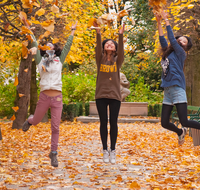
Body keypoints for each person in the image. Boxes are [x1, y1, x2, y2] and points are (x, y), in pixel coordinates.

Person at [22, 18, 77, 167]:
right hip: (44, 96)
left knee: (56, 127)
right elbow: (34, 42)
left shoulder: (60, 60)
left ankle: (53, 153)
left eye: (51, 45)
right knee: (37, 121)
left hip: (57, 97)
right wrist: (27, 26)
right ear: (43, 49)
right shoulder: (40, 61)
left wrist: (72, 31)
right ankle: (30, 120)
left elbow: (67, 46)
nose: (49, 46)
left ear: (55, 49)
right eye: (46, 45)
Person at [156, 10, 200, 145]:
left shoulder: (181, 53)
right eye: (180, 38)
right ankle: (180, 132)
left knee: (184, 121)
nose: (181, 41)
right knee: (164, 122)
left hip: (177, 88)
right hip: (167, 90)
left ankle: (184, 129)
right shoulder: (169, 53)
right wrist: (159, 22)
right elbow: (163, 39)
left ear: (186, 47)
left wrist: (166, 20)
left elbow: (171, 39)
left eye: (184, 41)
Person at [93, 21, 125, 164]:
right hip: (101, 95)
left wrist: (120, 35)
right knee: (103, 123)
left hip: (115, 96)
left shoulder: (118, 61)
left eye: (112, 44)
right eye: (107, 43)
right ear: (104, 47)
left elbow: (122, 51)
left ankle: (113, 150)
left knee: (113, 123)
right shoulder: (100, 60)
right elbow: (97, 49)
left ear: (115, 48)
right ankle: (104, 150)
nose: (109, 45)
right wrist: (98, 33)